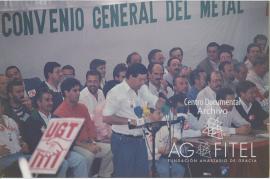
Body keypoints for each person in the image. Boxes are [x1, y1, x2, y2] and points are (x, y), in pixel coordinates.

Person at [102, 63, 165, 177]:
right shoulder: (116, 92)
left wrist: (161, 103)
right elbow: (106, 117)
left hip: (140, 139)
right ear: (130, 76)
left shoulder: (142, 88)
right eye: (140, 80)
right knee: (125, 175)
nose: (142, 83)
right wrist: (130, 121)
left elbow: (155, 102)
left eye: (144, 80)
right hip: (123, 140)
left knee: (142, 174)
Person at [22, 88, 89, 177]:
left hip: (62, 152)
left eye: (51, 100)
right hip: (44, 156)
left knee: (80, 160)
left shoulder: (57, 118)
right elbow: (34, 144)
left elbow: (70, 139)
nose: (51, 103)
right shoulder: (32, 121)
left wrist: (66, 149)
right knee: (63, 163)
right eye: (47, 100)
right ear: (39, 102)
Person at [54, 78, 113, 177]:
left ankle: (103, 176)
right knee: (89, 156)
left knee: (111, 149)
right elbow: (69, 140)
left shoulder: (82, 107)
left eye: (78, 90)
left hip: (89, 142)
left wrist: (93, 142)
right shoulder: (60, 113)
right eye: (75, 91)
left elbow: (90, 127)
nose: (78, 93)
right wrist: (88, 147)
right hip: (74, 147)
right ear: (66, 92)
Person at [79, 70, 111, 141]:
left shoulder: (101, 92)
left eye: (95, 81)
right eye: (90, 81)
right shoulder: (81, 96)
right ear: (86, 82)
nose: (92, 84)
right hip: (90, 135)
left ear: (99, 82)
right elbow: (89, 119)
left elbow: (104, 113)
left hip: (103, 132)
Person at [0, 98, 29, 173]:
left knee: (37, 161)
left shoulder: (11, 121)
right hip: (4, 159)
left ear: (2, 107)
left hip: (19, 155)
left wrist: (23, 144)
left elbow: (19, 138)